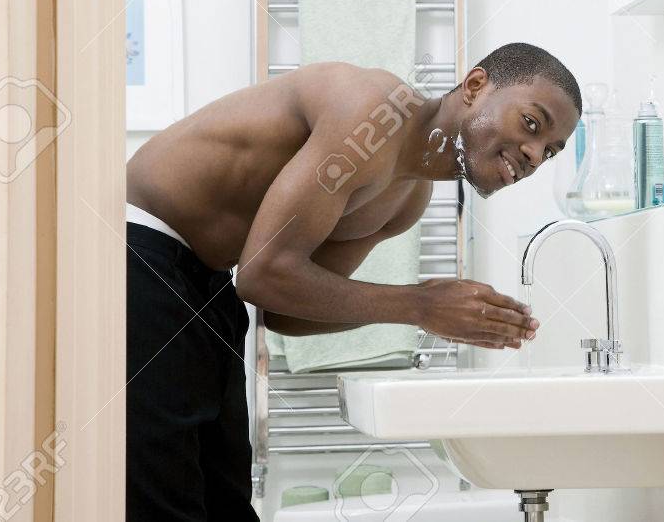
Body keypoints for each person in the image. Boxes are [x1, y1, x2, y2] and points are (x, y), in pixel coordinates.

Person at [124, 41, 581, 521]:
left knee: (225, 505)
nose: (533, 153)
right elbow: (262, 274)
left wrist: (430, 315)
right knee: (163, 500)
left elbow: (284, 312)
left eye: (549, 151)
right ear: (474, 86)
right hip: (139, 247)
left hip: (206, 282)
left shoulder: (406, 200)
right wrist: (418, 305)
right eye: (531, 124)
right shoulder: (376, 111)